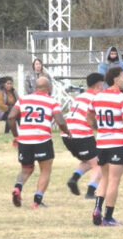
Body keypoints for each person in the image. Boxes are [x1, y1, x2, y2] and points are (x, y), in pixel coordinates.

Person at [87, 66, 123, 226]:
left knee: (105, 178)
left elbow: (89, 116)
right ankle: (108, 217)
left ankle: (97, 208)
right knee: (114, 180)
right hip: (117, 144)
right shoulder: (122, 99)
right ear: (116, 79)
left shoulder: (97, 97)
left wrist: (100, 129)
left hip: (102, 143)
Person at [8, 76, 71, 209]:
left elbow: (11, 117)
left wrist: (16, 136)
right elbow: (60, 121)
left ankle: (18, 188)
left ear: (36, 88)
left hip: (25, 139)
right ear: (49, 88)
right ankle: (37, 200)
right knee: (45, 170)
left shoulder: (23, 99)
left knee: (26, 169)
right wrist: (67, 132)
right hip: (42, 139)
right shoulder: (52, 102)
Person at [63, 72, 105, 199]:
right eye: (102, 85)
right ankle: (91, 192)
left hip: (66, 135)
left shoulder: (80, 97)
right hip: (80, 135)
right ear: (98, 85)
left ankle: (74, 179)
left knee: (88, 160)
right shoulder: (96, 98)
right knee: (99, 163)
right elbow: (92, 119)